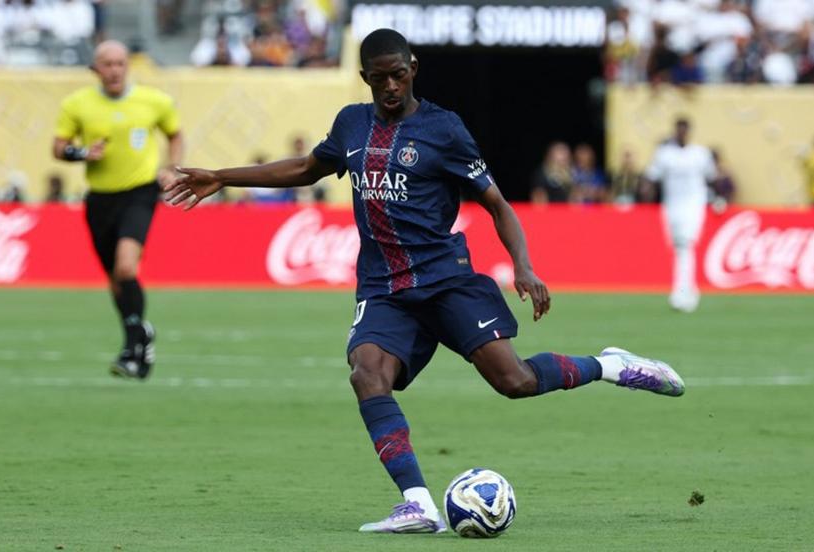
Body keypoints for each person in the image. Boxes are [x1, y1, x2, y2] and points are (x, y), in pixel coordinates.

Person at [165, 29, 685, 534]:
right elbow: (306, 167)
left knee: (516, 382)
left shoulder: (445, 130)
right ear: (364, 78)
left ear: (413, 69)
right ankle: (417, 504)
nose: (389, 87)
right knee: (367, 373)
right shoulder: (351, 125)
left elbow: (497, 203)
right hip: (383, 289)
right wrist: (223, 176)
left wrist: (523, 266)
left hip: (444, 280)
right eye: (377, 79)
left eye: (397, 75)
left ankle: (614, 365)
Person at [52, 40, 183, 379]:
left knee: (126, 268)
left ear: (128, 66)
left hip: (139, 192)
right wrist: (81, 154)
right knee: (115, 281)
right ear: (95, 68)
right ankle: (136, 341)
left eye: (120, 63)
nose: (114, 70)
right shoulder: (77, 105)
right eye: (107, 64)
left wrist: (171, 168)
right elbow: (59, 147)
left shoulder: (153, 101)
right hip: (99, 199)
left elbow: (175, 134)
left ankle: (134, 342)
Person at [644, 118, 716, 313]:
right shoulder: (665, 153)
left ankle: (680, 293)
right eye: (679, 130)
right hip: (672, 206)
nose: (682, 133)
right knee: (679, 248)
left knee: (686, 244)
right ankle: (690, 291)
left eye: (685, 130)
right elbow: (651, 177)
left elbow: (712, 177)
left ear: (689, 131)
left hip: (694, 205)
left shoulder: (700, 154)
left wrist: (716, 198)